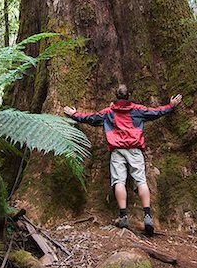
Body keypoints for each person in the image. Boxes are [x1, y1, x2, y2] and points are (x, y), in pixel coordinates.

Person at [64, 85, 182, 235]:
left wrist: (75, 114)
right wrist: (171, 106)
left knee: (119, 181)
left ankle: (123, 216)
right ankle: (147, 215)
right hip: (135, 149)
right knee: (141, 181)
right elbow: (156, 112)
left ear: (116, 96)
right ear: (129, 95)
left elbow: (91, 118)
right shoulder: (138, 109)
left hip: (117, 150)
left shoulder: (109, 112)